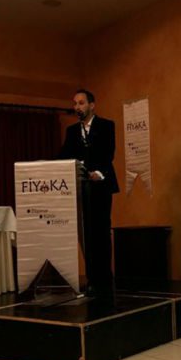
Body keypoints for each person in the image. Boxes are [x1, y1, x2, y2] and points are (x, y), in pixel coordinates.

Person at [59, 89, 119, 298]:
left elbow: (108, 153)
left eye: (81, 103)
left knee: (101, 231)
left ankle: (105, 278)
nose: (77, 107)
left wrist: (98, 173)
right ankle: (92, 279)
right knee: (87, 234)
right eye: (75, 103)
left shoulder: (106, 125)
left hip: (101, 184)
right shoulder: (72, 131)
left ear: (92, 105)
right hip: (81, 187)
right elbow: (64, 155)